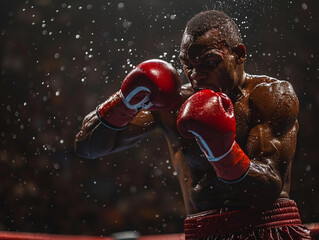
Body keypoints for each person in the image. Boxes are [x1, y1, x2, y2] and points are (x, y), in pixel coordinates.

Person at [74, 10, 312, 239]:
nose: (195, 74)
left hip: (268, 229)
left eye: (208, 62)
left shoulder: (269, 95)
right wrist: (124, 102)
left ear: (239, 54)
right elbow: (87, 146)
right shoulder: (174, 103)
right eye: (187, 63)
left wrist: (223, 153)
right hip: (204, 232)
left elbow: (269, 186)